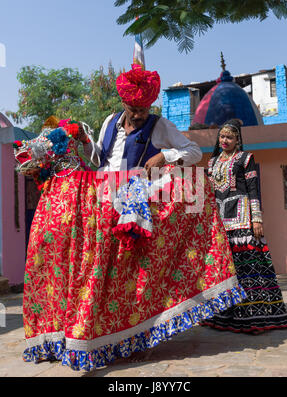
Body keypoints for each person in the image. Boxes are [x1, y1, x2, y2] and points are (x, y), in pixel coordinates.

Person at [18, 66, 247, 372]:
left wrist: (164, 157)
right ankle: (90, 332)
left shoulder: (158, 125)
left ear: (150, 106)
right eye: (133, 109)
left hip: (133, 201)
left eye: (142, 109)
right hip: (100, 200)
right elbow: (100, 158)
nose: (138, 115)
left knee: (126, 272)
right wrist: (85, 142)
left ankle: (130, 333)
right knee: (99, 270)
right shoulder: (110, 121)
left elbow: (193, 152)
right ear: (123, 104)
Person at [203, 118, 287, 334]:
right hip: (220, 219)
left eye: (230, 137)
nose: (225, 140)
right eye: (222, 136)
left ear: (237, 139)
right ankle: (223, 315)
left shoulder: (245, 159)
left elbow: (253, 189)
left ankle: (255, 318)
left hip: (243, 218)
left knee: (248, 266)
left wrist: (257, 218)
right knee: (224, 267)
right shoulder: (212, 162)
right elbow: (209, 192)